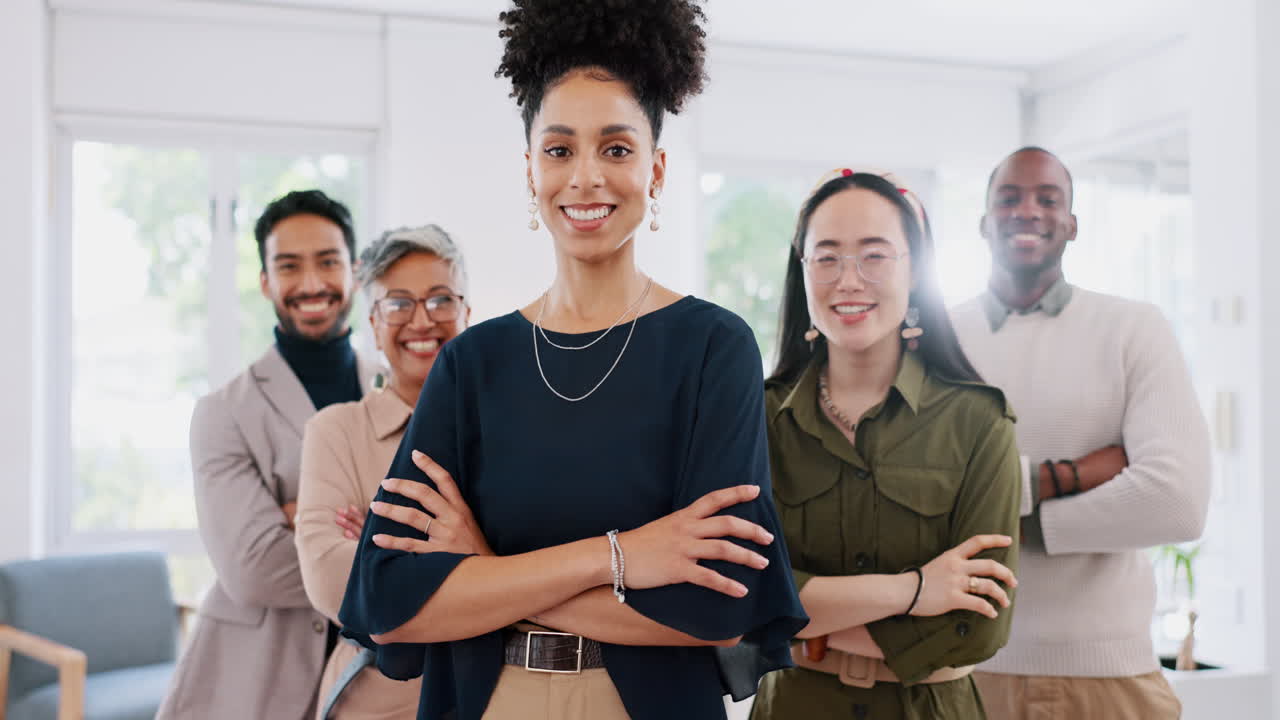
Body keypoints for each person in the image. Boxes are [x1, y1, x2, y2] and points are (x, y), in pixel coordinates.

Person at [336, 2, 808, 719]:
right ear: (531, 170)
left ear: (656, 169)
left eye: (616, 149)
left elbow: (722, 607)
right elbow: (389, 605)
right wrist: (621, 558)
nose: (586, 177)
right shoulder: (472, 364)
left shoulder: (713, 348)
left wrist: (487, 576)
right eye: (559, 150)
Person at [750, 169, 1022, 720]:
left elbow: (976, 628)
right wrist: (917, 590)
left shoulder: (979, 421)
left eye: (874, 256)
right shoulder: (757, 419)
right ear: (801, 272)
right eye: (826, 257)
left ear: (915, 270)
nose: (848, 280)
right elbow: (744, 597)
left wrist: (809, 625)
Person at [951, 147, 1211, 719]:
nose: (1028, 211)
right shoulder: (938, 337)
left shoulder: (1133, 328)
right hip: (963, 679)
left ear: (1072, 224)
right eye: (1009, 198)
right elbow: (928, 494)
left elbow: (1176, 502)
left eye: (1049, 199)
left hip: (1110, 682)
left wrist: (1009, 525)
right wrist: (1073, 474)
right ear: (983, 221)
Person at [158, 190, 381, 720]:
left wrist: (304, 517)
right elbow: (253, 569)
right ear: (265, 281)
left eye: (327, 262)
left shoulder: (398, 390)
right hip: (254, 682)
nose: (310, 284)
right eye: (289, 266)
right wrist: (377, 529)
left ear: (354, 271)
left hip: (378, 682)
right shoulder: (222, 412)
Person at [296, 226, 470, 719]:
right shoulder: (335, 432)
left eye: (441, 300)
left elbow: (541, 562)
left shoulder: (505, 430)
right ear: (372, 324)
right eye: (397, 304)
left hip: (491, 696)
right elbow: (334, 585)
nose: (422, 320)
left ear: (467, 314)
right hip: (373, 702)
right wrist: (478, 562)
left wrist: (383, 554)